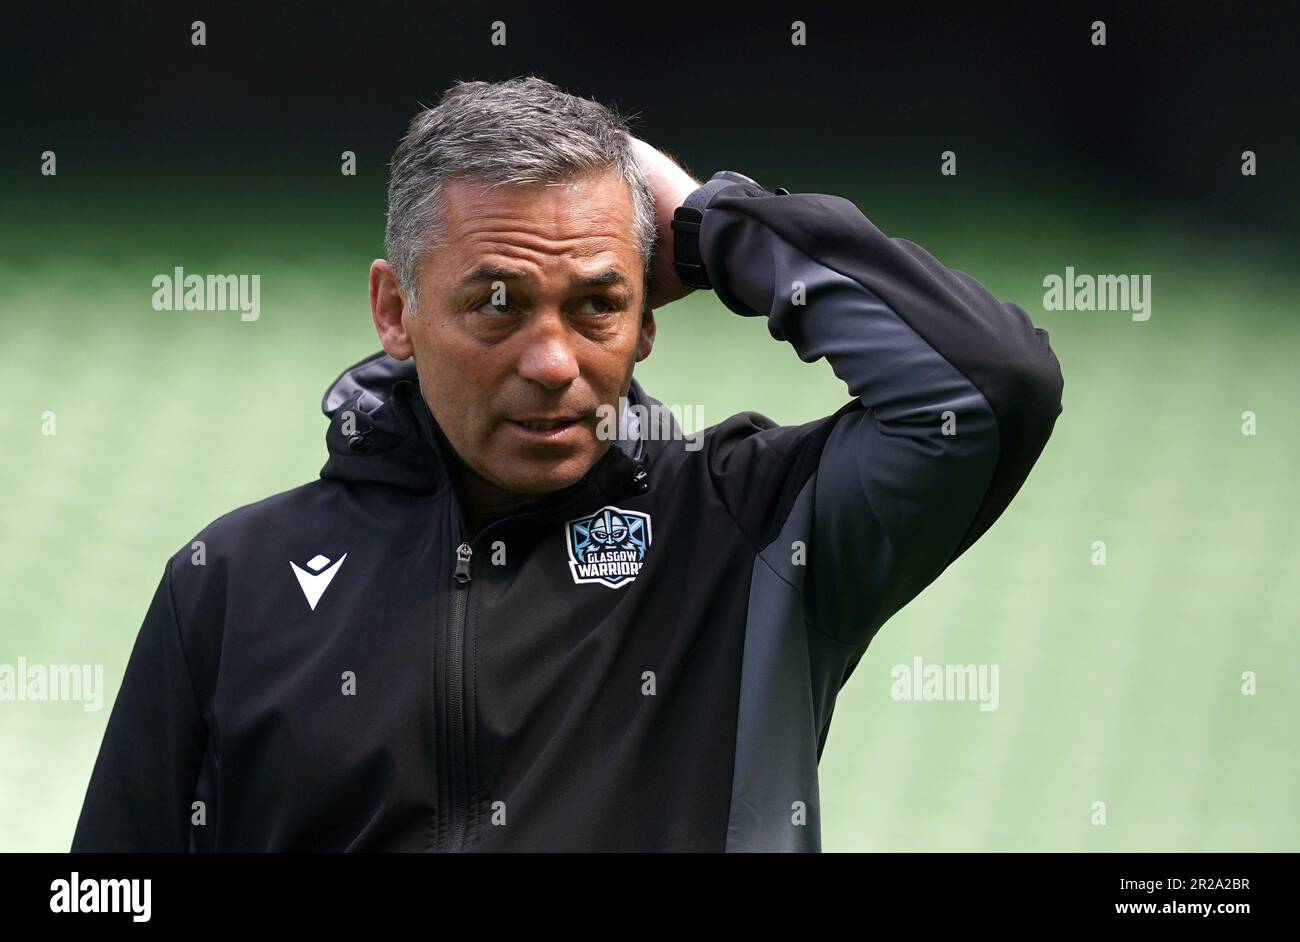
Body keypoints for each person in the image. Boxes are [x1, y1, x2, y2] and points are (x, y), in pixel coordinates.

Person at [72, 76, 1063, 852]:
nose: (551, 364)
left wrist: (718, 225)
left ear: (645, 320)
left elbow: (988, 385)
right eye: (497, 302)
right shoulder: (234, 578)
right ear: (395, 312)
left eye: (596, 305)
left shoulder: (756, 529)